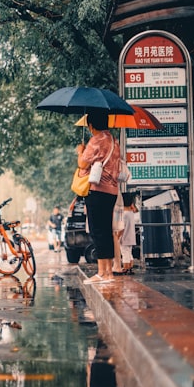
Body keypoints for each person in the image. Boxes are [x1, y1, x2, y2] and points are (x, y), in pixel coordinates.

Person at [76, 112, 121, 284]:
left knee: (97, 231)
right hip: (111, 191)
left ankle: (103, 273)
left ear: (91, 126)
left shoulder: (97, 140)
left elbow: (83, 163)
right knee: (106, 231)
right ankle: (108, 271)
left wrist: (80, 152)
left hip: (98, 189)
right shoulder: (113, 140)